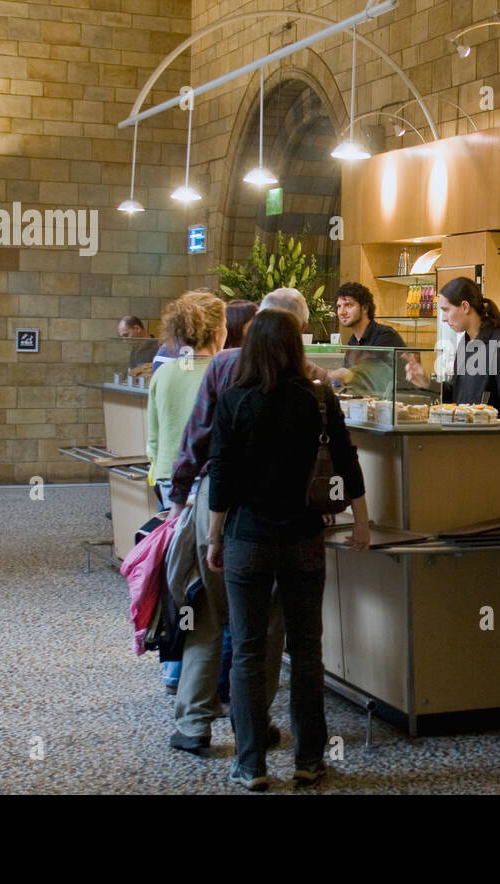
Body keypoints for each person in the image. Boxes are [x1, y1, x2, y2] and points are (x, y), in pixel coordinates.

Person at [206, 310, 370, 790]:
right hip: (303, 536)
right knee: (306, 648)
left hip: (247, 537)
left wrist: (215, 536)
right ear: (297, 347)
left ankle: (251, 763)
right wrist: (361, 523)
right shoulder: (318, 397)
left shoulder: (233, 399)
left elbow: (222, 475)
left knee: (250, 651)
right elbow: (346, 461)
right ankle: (309, 760)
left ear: (250, 346)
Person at [163, 288, 312, 755]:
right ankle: (256, 724)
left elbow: (197, 435)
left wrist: (179, 495)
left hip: (215, 501)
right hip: (274, 513)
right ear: (297, 331)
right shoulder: (305, 380)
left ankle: (192, 725)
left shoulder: (224, 365)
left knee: (206, 616)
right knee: (265, 625)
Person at [147, 290, 226, 694]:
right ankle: (217, 675)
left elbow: (155, 436)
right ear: (216, 330)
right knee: (214, 582)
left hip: (170, 483)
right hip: (209, 483)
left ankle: (174, 667)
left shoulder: (163, 372)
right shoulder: (221, 372)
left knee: (180, 578)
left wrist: (160, 480)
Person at [403, 277, 500, 418]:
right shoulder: (465, 343)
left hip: (487, 438)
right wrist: (426, 383)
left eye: (446, 310)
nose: (443, 318)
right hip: (462, 435)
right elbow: (455, 395)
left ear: (465, 307)